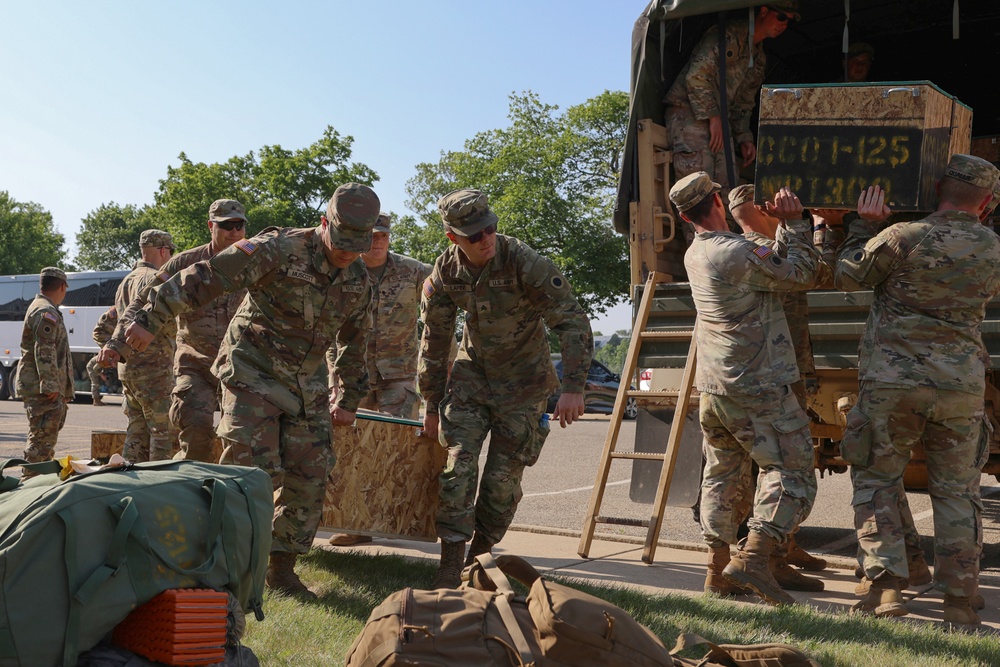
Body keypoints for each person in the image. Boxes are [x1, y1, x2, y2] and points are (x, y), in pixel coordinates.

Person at [107, 183, 380, 599]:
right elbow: (207, 276)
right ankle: (223, 566)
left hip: (305, 382)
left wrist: (349, 399)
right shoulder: (277, 249)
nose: (346, 254)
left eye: (355, 247)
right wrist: (148, 318)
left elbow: (355, 344)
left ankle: (280, 568)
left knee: (311, 475)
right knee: (248, 473)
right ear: (324, 223)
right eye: (341, 243)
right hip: (252, 370)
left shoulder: (358, 279)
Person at [834, 155, 1000, 625]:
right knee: (958, 492)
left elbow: (848, 276)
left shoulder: (903, 236)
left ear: (937, 188)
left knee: (877, 481)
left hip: (893, 383)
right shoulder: (994, 248)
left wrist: (863, 226)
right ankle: (960, 601)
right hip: (960, 385)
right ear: (987, 203)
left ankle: (887, 588)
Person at [419, 188, 593, 588]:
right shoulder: (445, 273)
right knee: (458, 465)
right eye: (475, 235)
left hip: (525, 384)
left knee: (502, 482)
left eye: (490, 228)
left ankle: (478, 557)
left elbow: (572, 320)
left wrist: (573, 387)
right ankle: (450, 564)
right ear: (452, 238)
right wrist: (430, 404)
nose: (486, 239)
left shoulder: (523, 261)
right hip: (471, 380)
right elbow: (435, 341)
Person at [669, 172, 819, 606]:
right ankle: (754, 558)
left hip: (716, 387)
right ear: (717, 201)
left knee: (722, 474)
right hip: (757, 385)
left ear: (685, 217)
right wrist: (796, 223)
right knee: (792, 472)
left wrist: (781, 233)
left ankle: (717, 570)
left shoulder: (696, 251)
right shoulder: (735, 251)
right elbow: (802, 274)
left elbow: (768, 261)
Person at [112, 199, 249, 463]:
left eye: (239, 225)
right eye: (226, 226)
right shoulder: (184, 262)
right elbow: (144, 299)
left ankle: (229, 486)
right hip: (195, 364)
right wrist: (117, 343)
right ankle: (189, 484)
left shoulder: (255, 260)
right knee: (195, 431)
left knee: (240, 439)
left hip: (239, 364)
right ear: (211, 226)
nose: (234, 232)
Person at [326, 212, 432, 547]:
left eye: (383, 236)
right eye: (372, 236)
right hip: (354, 373)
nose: (378, 242)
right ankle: (355, 524)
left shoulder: (414, 271)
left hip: (398, 375)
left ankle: (393, 520)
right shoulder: (344, 269)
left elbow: (447, 298)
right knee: (353, 449)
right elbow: (331, 329)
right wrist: (334, 380)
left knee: (394, 447)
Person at [663, 2, 798, 204]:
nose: (784, 25)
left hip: (719, 124)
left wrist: (744, 138)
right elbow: (696, 76)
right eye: (781, 17)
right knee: (697, 194)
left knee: (728, 195)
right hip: (689, 114)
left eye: (789, 21)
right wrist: (713, 117)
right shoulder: (728, 35)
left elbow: (744, 103)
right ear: (763, 11)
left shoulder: (758, 59)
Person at [102, 230, 178, 463]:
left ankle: (129, 475)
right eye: (171, 251)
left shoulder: (126, 281)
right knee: (162, 433)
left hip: (129, 369)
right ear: (163, 251)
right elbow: (167, 323)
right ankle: (159, 480)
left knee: (136, 430)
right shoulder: (157, 279)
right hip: (155, 368)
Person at [16, 267, 74, 463]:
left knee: (44, 440)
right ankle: (31, 477)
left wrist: (62, 387)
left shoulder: (44, 308)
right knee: (41, 441)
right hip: (42, 389)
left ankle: (36, 476)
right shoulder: (45, 311)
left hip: (41, 386)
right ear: (62, 287)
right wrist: (50, 385)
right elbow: (45, 349)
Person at [89, 304, 119, 406]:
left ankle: (96, 400)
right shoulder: (101, 359)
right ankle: (96, 400)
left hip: (96, 367)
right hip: (93, 369)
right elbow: (95, 369)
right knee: (95, 384)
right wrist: (102, 375)